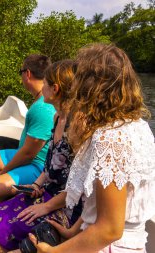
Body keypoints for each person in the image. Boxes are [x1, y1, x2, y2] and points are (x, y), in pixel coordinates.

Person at [30, 43, 155, 253]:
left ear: (90, 85)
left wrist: (53, 252)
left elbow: (109, 230)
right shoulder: (136, 126)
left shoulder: (111, 138)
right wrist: (72, 232)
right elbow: (98, 203)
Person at [0, 60, 82, 251]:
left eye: (46, 83)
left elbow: (78, 189)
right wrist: (36, 185)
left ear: (55, 89)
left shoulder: (76, 129)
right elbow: (51, 164)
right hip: (46, 190)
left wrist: (46, 207)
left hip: (64, 204)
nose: (42, 86)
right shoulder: (58, 118)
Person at [0, 54, 55, 234]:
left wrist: (2, 172)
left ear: (27, 74)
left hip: (37, 165)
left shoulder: (42, 108)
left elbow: (29, 155)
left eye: (21, 72)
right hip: (24, 155)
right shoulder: (39, 100)